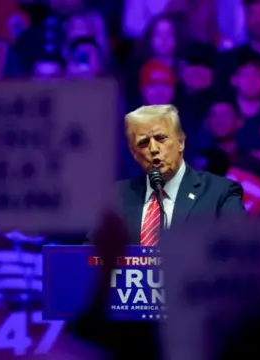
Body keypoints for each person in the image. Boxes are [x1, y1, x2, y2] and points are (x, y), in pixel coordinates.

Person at [74, 104, 246, 359]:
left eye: (161, 138)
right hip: (129, 337)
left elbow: (239, 253)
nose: (153, 149)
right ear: (133, 152)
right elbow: (88, 259)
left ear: (180, 142)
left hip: (196, 335)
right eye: (143, 142)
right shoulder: (115, 196)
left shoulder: (220, 192)